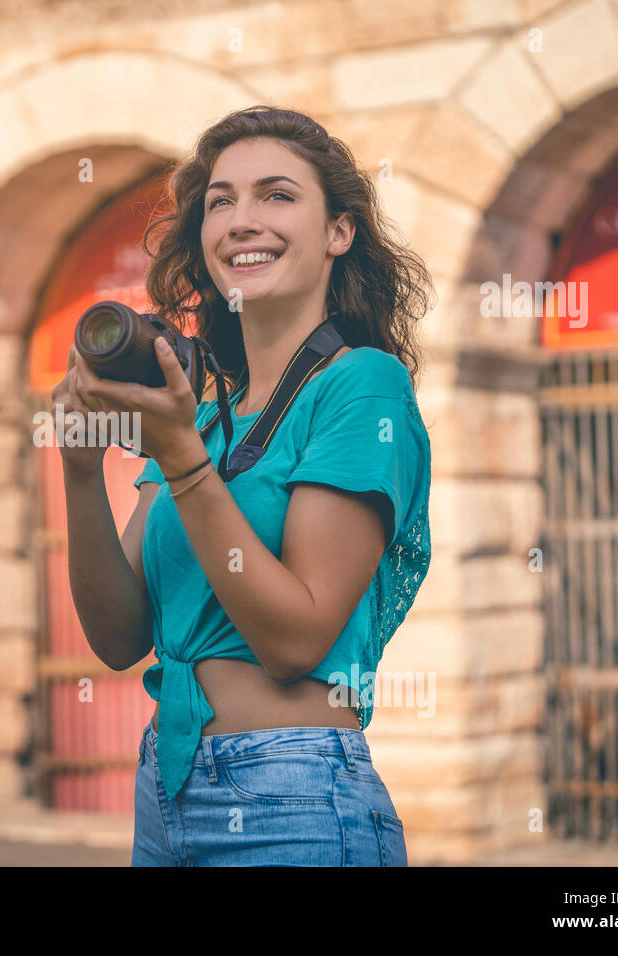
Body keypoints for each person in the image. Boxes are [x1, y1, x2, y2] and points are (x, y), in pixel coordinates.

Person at [52, 105, 433, 866]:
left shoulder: (363, 387)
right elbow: (119, 638)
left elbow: (296, 639)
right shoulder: (204, 415)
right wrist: (80, 467)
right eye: (220, 201)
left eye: (277, 195)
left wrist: (185, 462)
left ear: (339, 233)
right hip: (165, 785)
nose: (240, 220)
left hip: (292, 794)